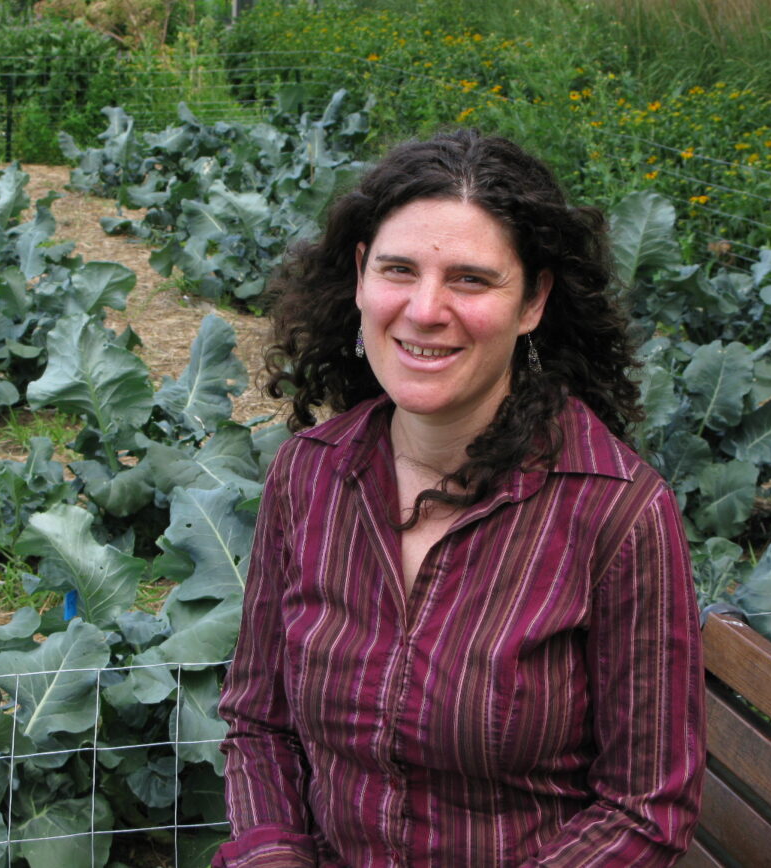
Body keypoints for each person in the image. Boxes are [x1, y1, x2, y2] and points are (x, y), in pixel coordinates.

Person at [214, 129, 705, 867]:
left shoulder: (615, 514)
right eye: (398, 270)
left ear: (533, 300)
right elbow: (260, 724)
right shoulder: (309, 474)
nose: (425, 309)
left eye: (472, 280)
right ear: (359, 277)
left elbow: (645, 810)